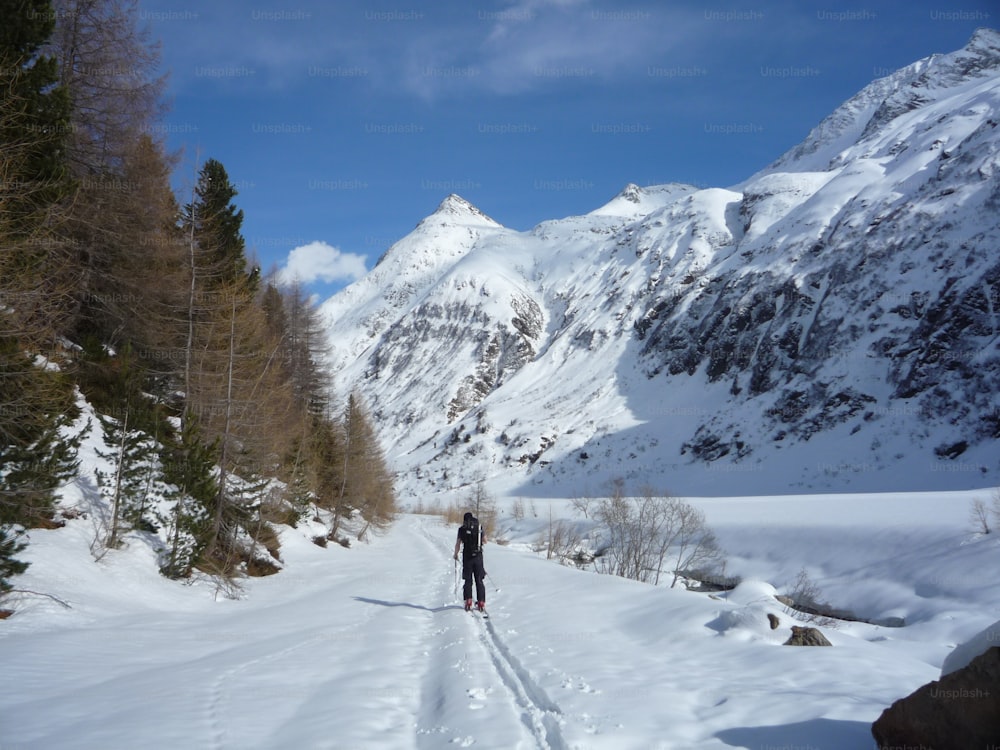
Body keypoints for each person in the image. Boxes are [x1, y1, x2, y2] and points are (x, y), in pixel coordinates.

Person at [453, 511, 487, 611]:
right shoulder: (479, 527)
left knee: (468, 580)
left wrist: (455, 554)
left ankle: (468, 601)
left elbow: (458, 544)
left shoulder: (461, 529)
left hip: (467, 556)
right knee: (479, 580)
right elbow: (485, 540)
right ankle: (481, 602)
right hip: (478, 557)